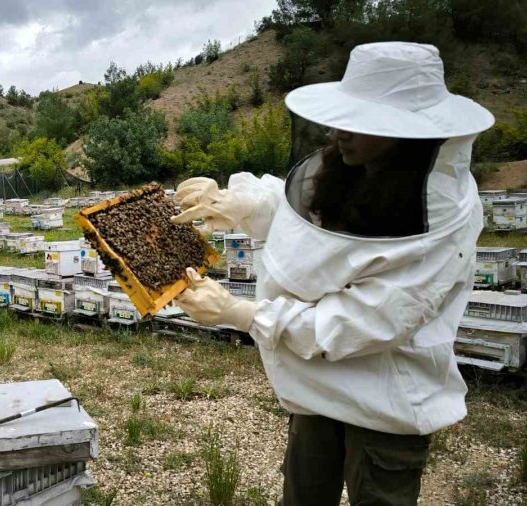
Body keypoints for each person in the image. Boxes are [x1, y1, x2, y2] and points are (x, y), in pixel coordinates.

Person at [171, 42, 494, 506]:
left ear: (408, 132)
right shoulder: (350, 164)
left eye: (360, 123)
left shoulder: (446, 215)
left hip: (387, 397)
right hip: (314, 387)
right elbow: (306, 224)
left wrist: (240, 313)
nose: (339, 133)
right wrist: (242, 201)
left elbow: (365, 322)